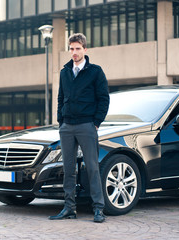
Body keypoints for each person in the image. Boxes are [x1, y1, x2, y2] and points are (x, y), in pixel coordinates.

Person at [49, 33, 110, 223]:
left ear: (85, 49)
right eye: (71, 48)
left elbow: (104, 99)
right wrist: (61, 120)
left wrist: (96, 122)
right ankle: (69, 208)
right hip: (67, 126)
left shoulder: (95, 72)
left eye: (77, 48)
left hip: (86, 125)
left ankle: (98, 209)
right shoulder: (64, 72)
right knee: (68, 169)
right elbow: (60, 98)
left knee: (92, 167)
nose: (74, 52)